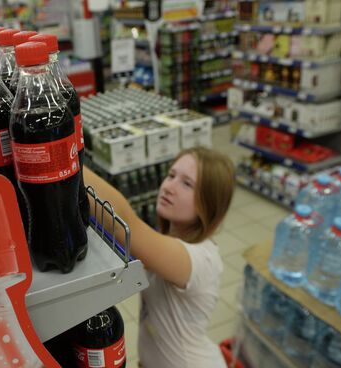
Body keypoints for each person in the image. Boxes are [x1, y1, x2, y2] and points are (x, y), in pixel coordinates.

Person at [83, 146, 235, 368]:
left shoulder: (199, 259)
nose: (170, 187)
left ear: (209, 202)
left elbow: (122, 225)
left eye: (187, 184)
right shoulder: (169, 240)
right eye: (171, 175)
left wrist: (64, 160)